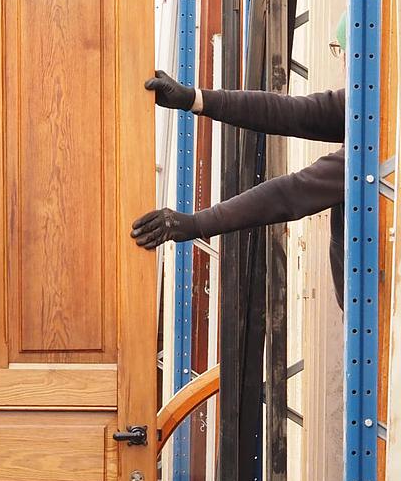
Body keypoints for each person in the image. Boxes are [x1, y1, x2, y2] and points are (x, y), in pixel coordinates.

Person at [132, 15, 347, 307]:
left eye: (343, 52)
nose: (343, 63)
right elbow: (289, 112)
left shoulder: (381, 134)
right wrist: (194, 99)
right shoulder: (361, 105)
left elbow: (291, 193)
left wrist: (196, 224)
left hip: (372, 316)